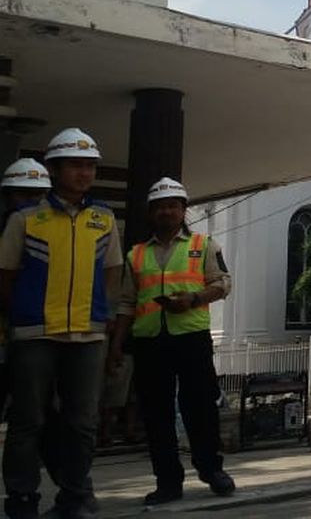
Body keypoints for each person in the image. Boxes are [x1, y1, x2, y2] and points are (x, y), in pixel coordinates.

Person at [0, 128, 123, 518]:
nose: (84, 173)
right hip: (35, 333)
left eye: (90, 166)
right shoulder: (26, 219)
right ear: (53, 169)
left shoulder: (104, 219)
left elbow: (111, 275)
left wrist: (100, 318)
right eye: (75, 165)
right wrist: (22, 313)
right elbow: (5, 275)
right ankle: (22, 499)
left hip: (87, 336)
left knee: (82, 423)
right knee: (27, 420)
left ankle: (75, 498)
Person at [107, 177, 235, 505]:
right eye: (160, 207)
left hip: (191, 337)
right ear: (152, 213)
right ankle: (167, 480)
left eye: (173, 206)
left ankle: (211, 469)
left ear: (183, 210)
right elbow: (126, 303)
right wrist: (117, 344)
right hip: (150, 340)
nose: (167, 212)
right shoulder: (136, 254)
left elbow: (222, 283)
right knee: (156, 413)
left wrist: (193, 299)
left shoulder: (204, 245)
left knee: (201, 407)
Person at [0, 159, 52, 422]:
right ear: (9, 197)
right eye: (23, 194)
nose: (30, 202)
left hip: (32, 330)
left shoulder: (54, 235)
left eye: (37, 195)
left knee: (31, 406)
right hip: (12, 324)